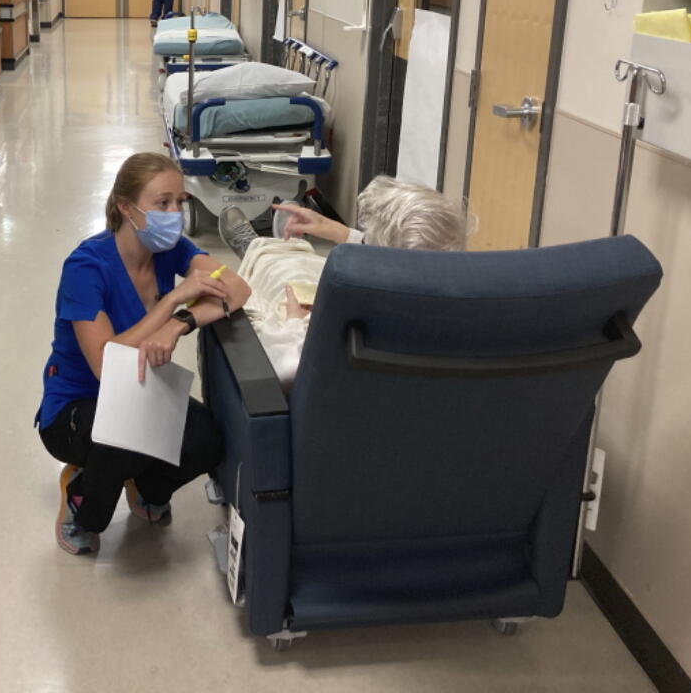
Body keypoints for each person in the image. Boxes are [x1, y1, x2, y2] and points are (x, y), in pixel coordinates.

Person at [37, 152, 252, 555]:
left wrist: (179, 324)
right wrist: (171, 301)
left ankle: (147, 487)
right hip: (76, 405)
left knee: (208, 437)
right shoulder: (86, 268)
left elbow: (236, 288)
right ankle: (81, 498)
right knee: (126, 438)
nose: (174, 213)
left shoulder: (169, 250)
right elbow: (104, 364)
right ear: (126, 208)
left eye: (180, 202)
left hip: (139, 387)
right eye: (162, 203)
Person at [218, 177, 472, 388]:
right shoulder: (469, 321)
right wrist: (336, 231)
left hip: (328, 425)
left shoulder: (340, 331)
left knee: (284, 278)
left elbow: (284, 371)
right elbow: (400, 258)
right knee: (309, 267)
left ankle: (257, 248)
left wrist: (294, 322)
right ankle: (284, 247)